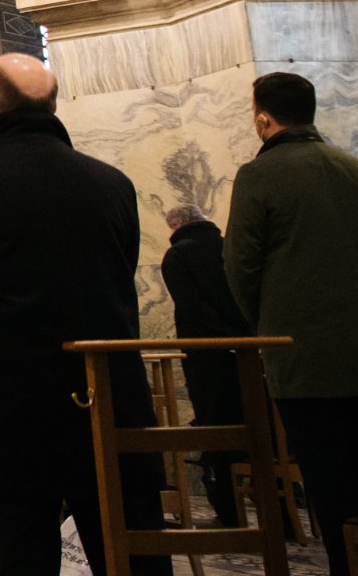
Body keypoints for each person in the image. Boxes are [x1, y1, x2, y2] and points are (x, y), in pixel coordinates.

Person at [0, 54, 166, 576]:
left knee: (22, 556)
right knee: (130, 555)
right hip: (106, 403)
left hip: (4, 409)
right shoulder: (112, 184)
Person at [224, 71, 358, 576]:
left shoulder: (259, 175)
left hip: (302, 352)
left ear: (263, 117)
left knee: (330, 479)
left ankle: (348, 568)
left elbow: (241, 267)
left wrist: (267, 326)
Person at [158, 204, 251, 527]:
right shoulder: (231, 248)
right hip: (248, 353)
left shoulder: (178, 256)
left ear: (174, 224)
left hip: (207, 356)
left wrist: (218, 338)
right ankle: (279, 514)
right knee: (254, 429)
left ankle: (227, 511)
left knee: (214, 430)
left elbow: (191, 307)